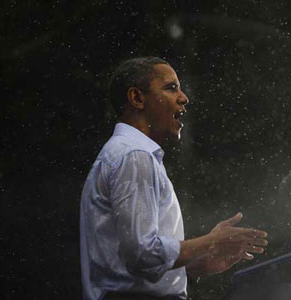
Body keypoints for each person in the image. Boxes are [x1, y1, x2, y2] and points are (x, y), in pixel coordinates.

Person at [80, 57, 268, 300]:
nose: (183, 97)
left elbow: (130, 264)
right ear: (137, 98)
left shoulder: (128, 154)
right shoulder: (135, 156)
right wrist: (209, 242)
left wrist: (198, 262)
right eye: (171, 88)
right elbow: (142, 255)